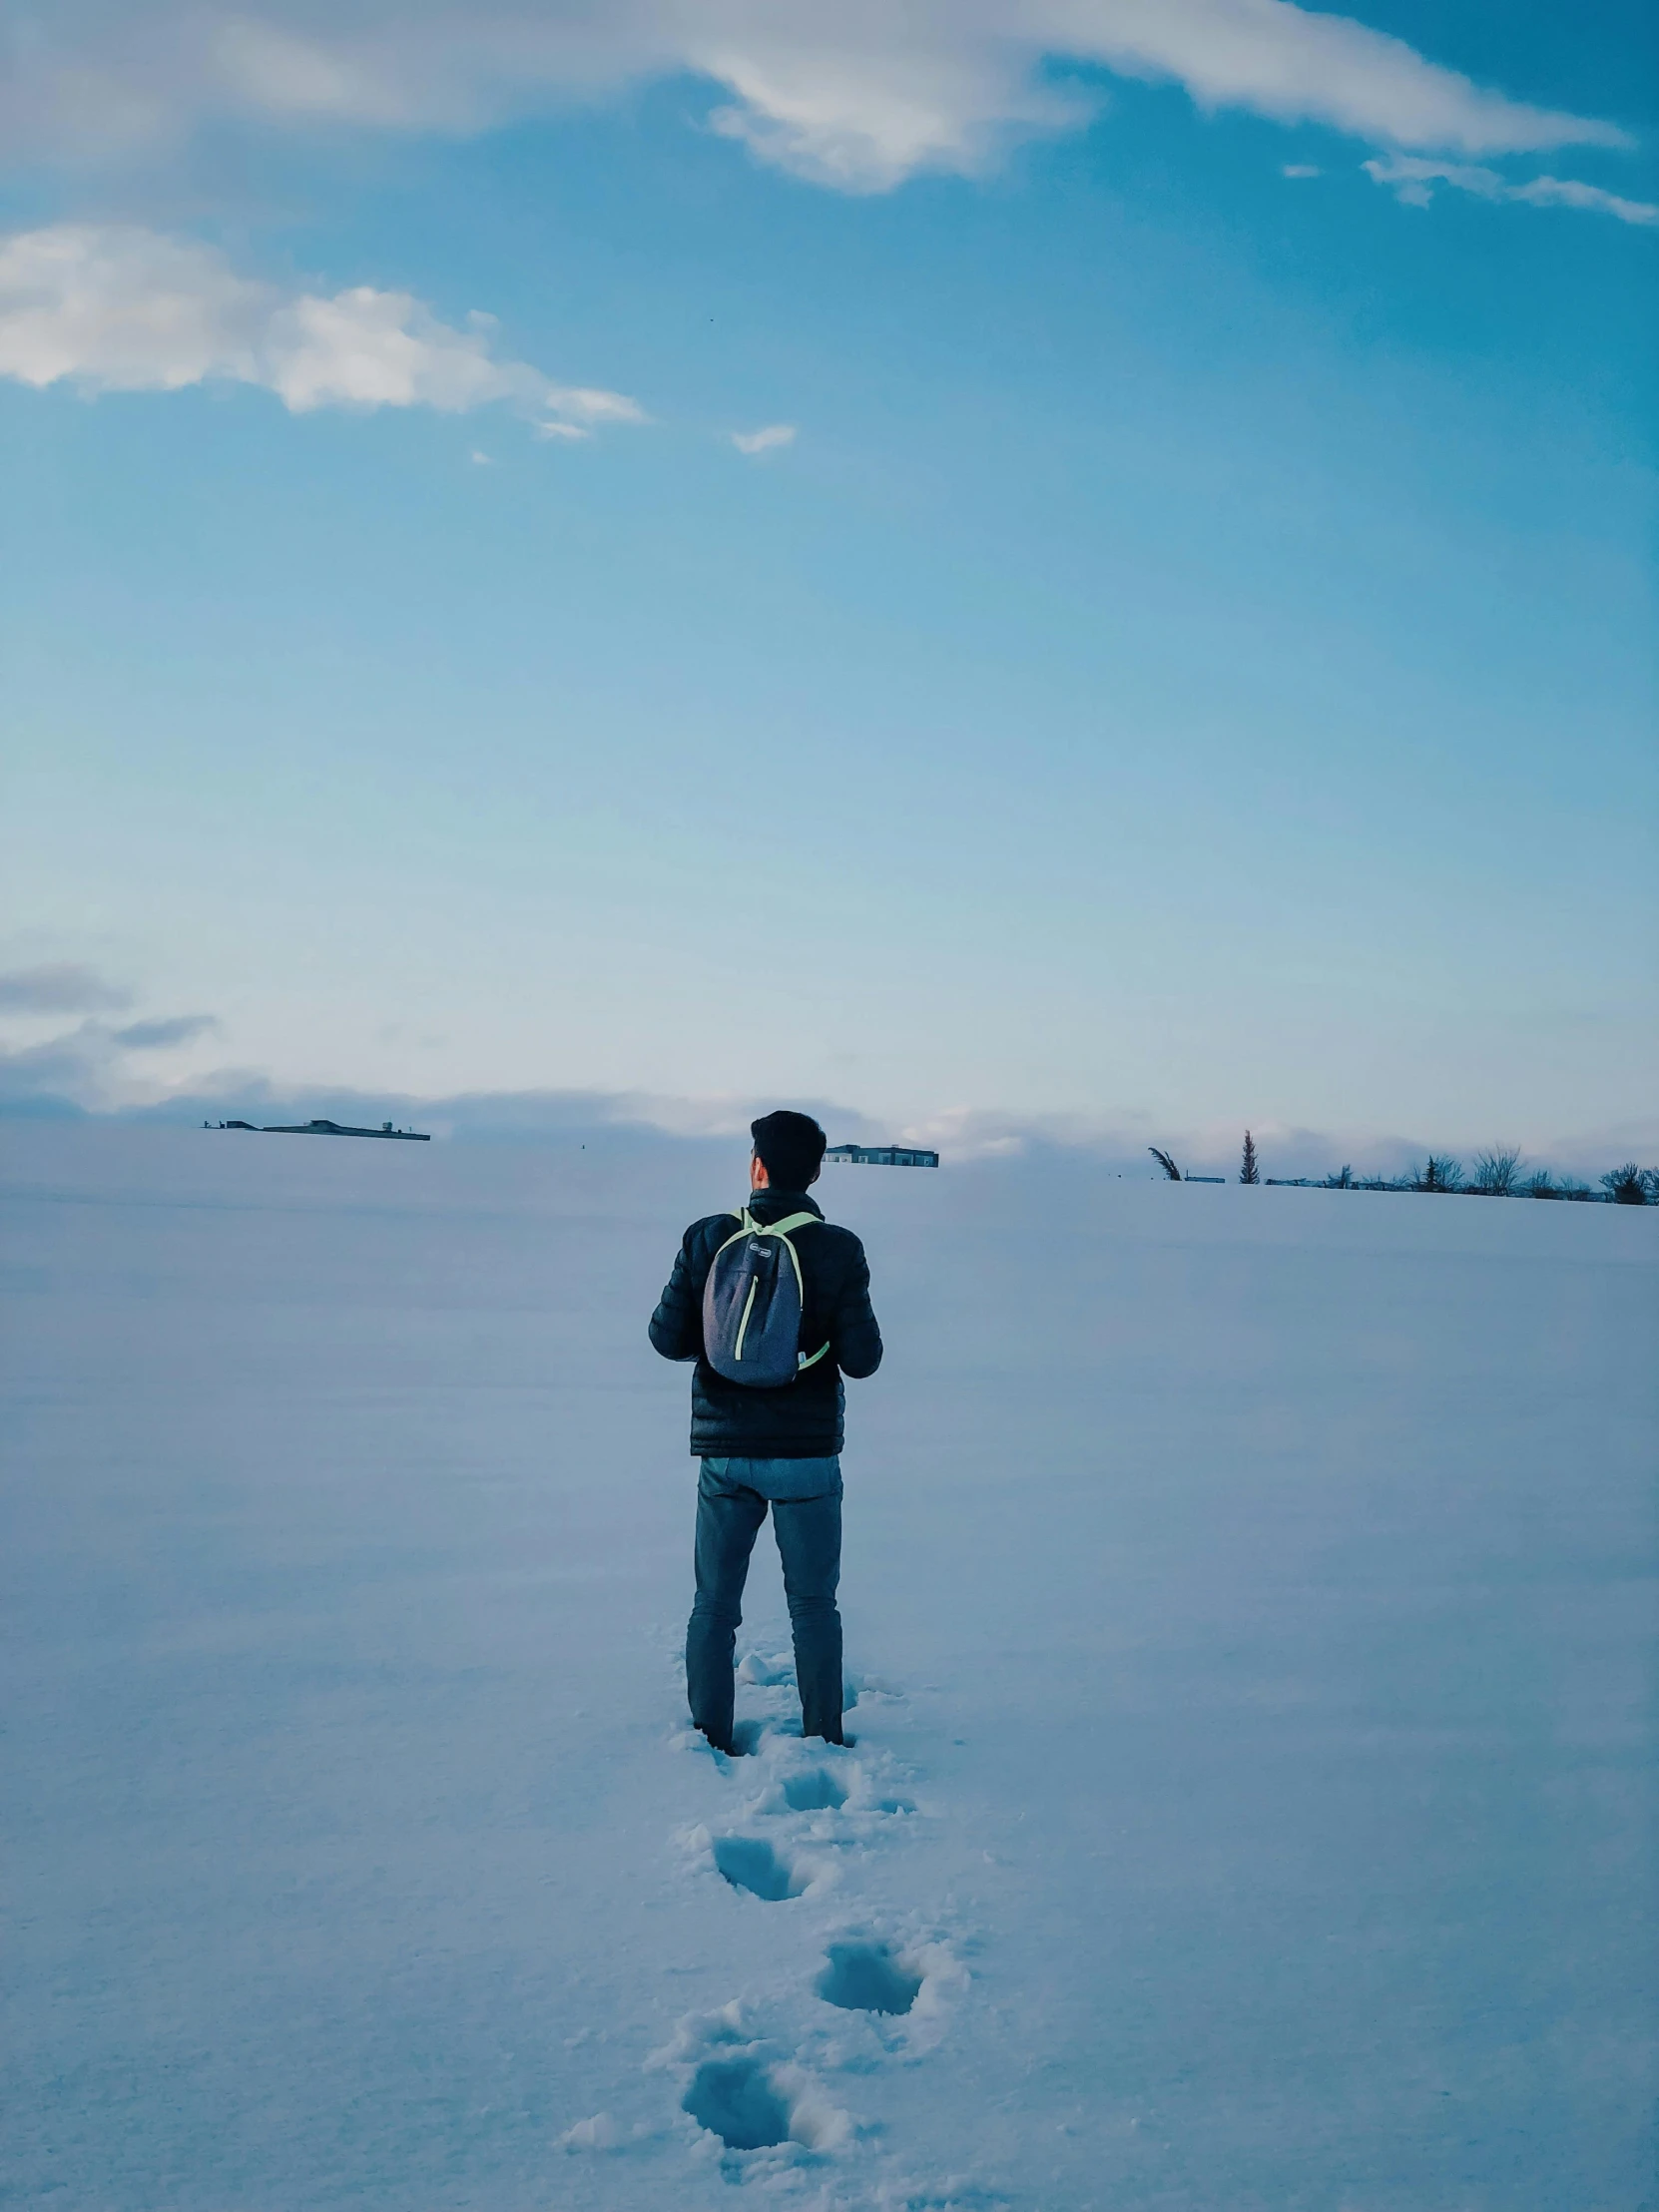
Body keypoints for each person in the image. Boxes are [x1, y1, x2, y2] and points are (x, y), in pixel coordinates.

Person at [649, 1109, 882, 1754]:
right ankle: (823, 1735)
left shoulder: (707, 1237)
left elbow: (666, 1341)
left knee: (714, 1606)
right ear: (814, 1172)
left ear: (756, 1166)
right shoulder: (838, 1248)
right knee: (813, 1606)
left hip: (725, 1457)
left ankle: (708, 1738)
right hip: (807, 1457)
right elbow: (864, 1362)